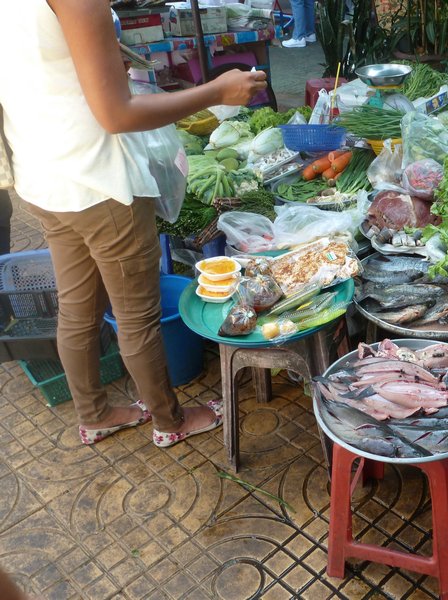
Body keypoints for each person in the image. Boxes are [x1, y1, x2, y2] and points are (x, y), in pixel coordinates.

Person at [0, 1, 266, 447]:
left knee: (77, 307)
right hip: (100, 184)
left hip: (43, 179)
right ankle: (170, 421)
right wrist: (215, 91)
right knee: (136, 316)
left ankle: (95, 415)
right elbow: (117, 115)